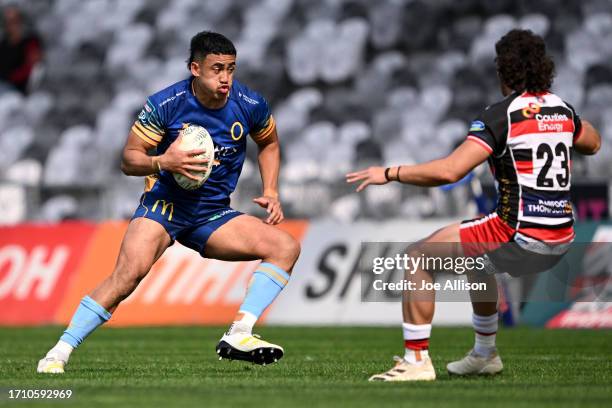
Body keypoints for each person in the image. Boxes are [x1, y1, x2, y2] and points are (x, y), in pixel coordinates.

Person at [37, 31, 300, 374]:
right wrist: (166, 161)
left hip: (213, 214)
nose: (225, 78)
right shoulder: (166, 103)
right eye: (216, 69)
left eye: (231, 69)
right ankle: (59, 352)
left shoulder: (250, 104)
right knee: (127, 276)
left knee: (285, 247)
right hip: (164, 208)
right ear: (195, 68)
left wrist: (272, 189)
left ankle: (240, 333)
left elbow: (269, 143)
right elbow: (129, 160)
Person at [346, 29, 601, 381]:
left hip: (518, 231)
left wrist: (389, 173)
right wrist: (566, 123)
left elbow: (451, 170)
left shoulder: (501, 115)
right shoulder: (562, 109)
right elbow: (593, 142)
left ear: (504, 71)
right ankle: (485, 354)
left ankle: (416, 362)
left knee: (418, 257)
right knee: (478, 262)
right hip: (562, 235)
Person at [0, 5, 42, 94]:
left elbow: (34, 67)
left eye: (15, 21)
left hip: (16, 89)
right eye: (8, 22)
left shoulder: (31, 41)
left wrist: (10, 77)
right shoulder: (4, 42)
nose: (11, 25)